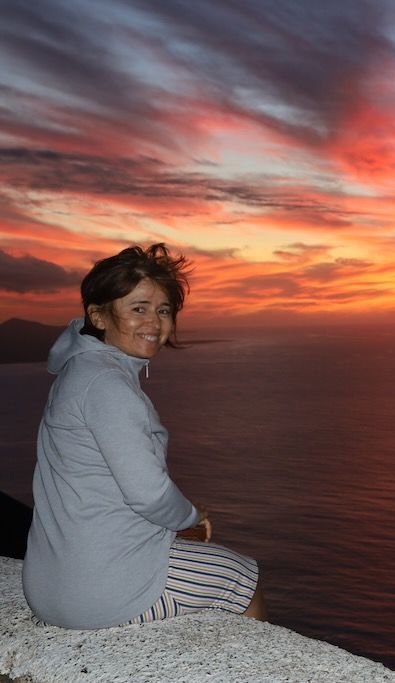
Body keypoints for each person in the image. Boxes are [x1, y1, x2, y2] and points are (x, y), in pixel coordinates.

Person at [23, 244, 266, 628]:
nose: (154, 322)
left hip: (50, 584)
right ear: (98, 316)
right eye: (139, 308)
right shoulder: (107, 384)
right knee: (241, 578)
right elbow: (149, 495)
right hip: (98, 594)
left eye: (163, 310)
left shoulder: (81, 370)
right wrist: (191, 515)